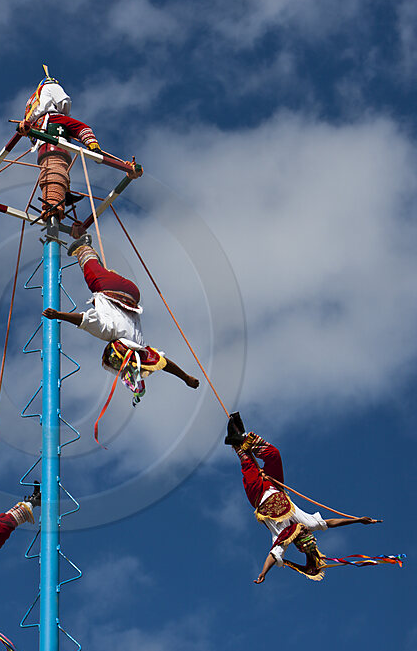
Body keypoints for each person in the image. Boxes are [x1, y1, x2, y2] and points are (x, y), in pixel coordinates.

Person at [225, 413, 382, 582]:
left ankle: (237, 441)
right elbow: (331, 523)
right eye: (309, 532)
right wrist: (358, 520)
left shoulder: (282, 538)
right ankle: (245, 438)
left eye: (306, 533)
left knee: (248, 463)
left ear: (298, 537)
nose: (308, 530)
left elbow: (272, 556)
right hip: (275, 486)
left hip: (258, 496)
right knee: (274, 454)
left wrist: (263, 573)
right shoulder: (307, 522)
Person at [43, 234, 199, 404]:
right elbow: (82, 319)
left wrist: (186, 378)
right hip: (111, 288)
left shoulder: (139, 345)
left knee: (98, 275)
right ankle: (83, 245)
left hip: (133, 294)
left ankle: (81, 235)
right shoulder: (108, 332)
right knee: (92, 274)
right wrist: (58, 315)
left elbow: (164, 363)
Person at [17, 67, 100, 220]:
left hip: (39, 132)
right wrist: (65, 115)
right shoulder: (51, 86)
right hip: (52, 121)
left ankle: (64, 192)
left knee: (55, 166)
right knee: (82, 128)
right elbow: (64, 101)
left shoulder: (32, 98)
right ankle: (94, 146)